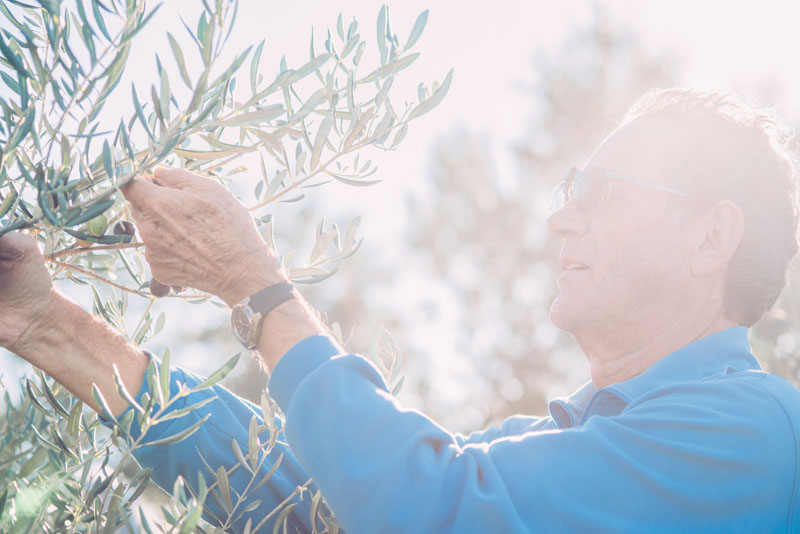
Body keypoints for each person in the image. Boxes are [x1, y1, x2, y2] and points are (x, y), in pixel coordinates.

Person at [1, 87, 799, 533]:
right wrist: (45, 322)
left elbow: (426, 508)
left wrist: (259, 287)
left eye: (603, 194)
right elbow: (302, 494)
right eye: (569, 192)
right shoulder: (543, 445)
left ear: (711, 237)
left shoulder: (755, 434)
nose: (562, 218)